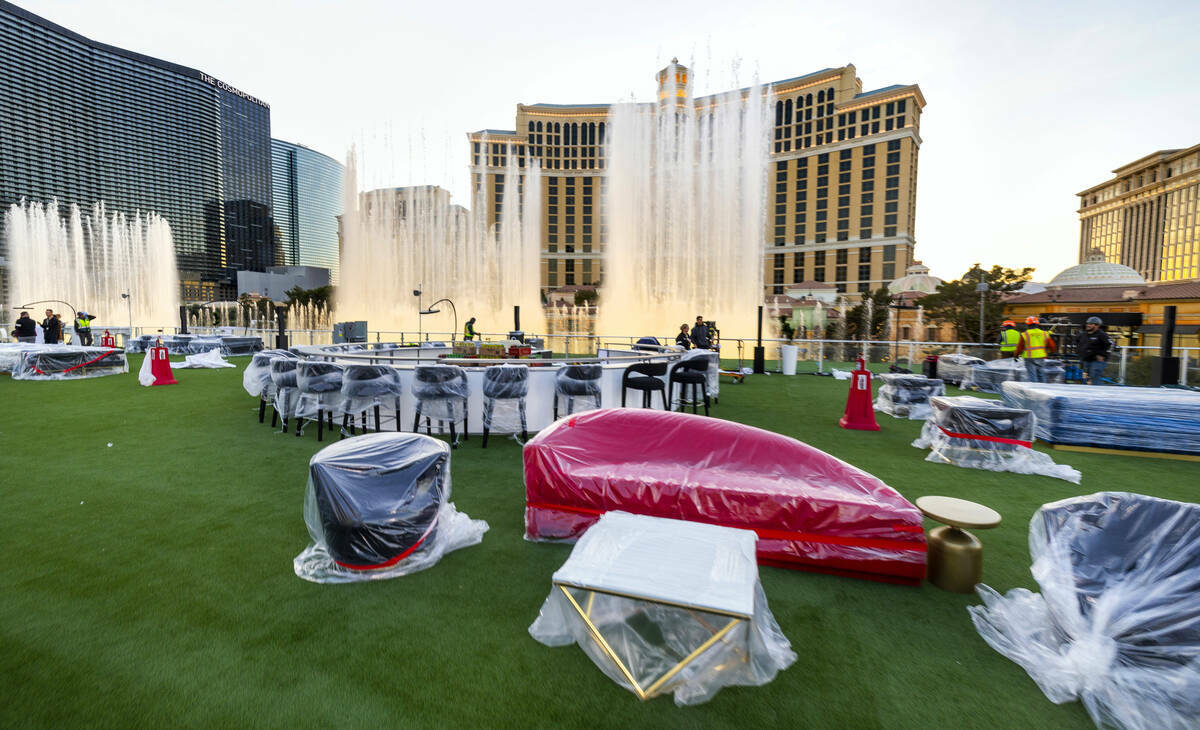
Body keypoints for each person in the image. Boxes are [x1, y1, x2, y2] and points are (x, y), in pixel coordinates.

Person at [1013, 315, 1057, 382]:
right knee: (1041, 375)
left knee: (1032, 376)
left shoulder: (1025, 334)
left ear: (1027, 324)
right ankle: (1043, 390)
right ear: (1037, 324)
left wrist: (1016, 356)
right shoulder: (1044, 333)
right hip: (1041, 356)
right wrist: (1053, 352)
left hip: (1029, 357)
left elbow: (1020, 347)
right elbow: (1052, 345)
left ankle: (1034, 389)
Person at [1076, 316, 1112, 385]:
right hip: (1085, 360)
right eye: (1088, 323)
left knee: (1094, 377)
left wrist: (1102, 355)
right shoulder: (1083, 334)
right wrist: (1079, 352)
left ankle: (1099, 394)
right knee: (1085, 378)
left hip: (1097, 361)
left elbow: (1111, 345)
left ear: (1097, 326)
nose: (1088, 325)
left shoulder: (1102, 334)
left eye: (1091, 324)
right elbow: (1077, 342)